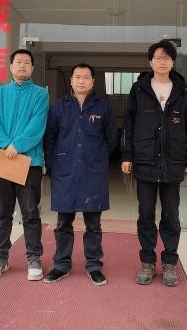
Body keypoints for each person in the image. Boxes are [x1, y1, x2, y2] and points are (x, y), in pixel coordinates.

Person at [121, 41, 187, 287]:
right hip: (145, 159)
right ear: (150, 62)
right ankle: (147, 262)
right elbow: (129, 124)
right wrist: (127, 155)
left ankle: (169, 263)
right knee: (145, 214)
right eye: (158, 58)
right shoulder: (139, 89)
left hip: (173, 160)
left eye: (167, 58)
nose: (162, 62)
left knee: (171, 215)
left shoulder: (181, 90)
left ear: (173, 62)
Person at [43, 63, 118, 286]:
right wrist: (53, 164)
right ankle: (61, 264)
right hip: (64, 170)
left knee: (93, 224)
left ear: (93, 81)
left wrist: (97, 157)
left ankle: (94, 266)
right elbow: (50, 137)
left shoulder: (103, 107)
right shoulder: (58, 106)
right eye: (77, 76)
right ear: (71, 80)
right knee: (63, 222)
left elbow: (112, 138)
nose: (81, 80)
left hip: (92, 172)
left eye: (86, 77)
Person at [0, 49, 49, 281]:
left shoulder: (41, 95)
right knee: (2, 212)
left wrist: (18, 145)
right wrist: (5, 145)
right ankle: (0, 257)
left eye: (27, 62)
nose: (22, 65)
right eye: (18, 62)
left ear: (32, 68)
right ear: (11, 67)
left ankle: (34, 258)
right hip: (2, 159)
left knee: (30, 213)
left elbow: (37, 125)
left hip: (29, 162)